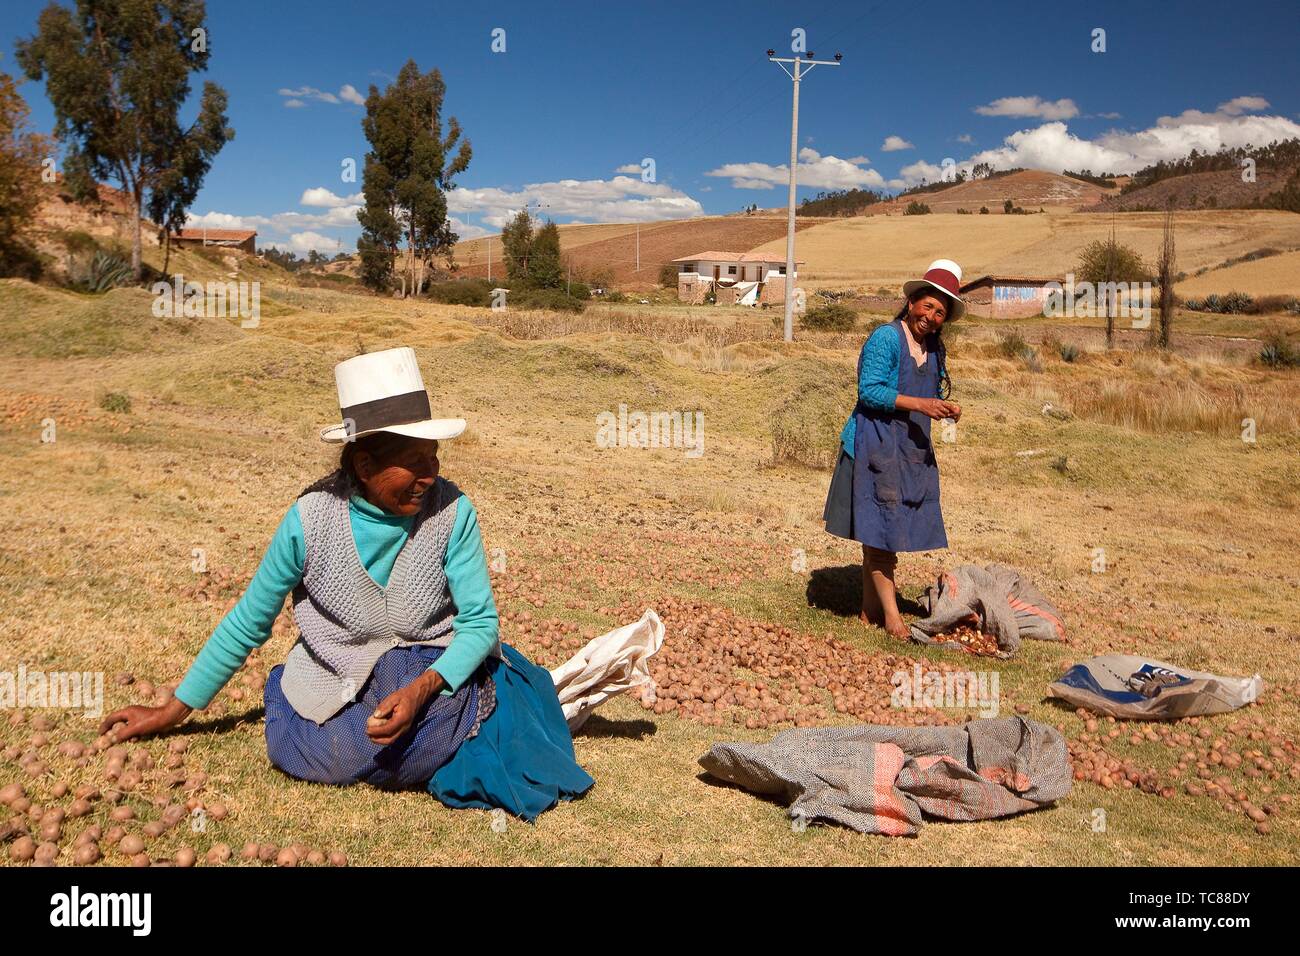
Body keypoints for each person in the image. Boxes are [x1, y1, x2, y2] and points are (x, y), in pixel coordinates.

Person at [100, 346, 594, 821]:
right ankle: (400, 743)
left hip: (432, 673)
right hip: (336, 678)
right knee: (319, 742)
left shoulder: (453, 512)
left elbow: (481, 625)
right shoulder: (310, 519)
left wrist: (423, 690)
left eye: (434, 458)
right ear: (365, 465)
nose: (430, 476)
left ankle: (419, 735)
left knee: (401, 674)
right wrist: (172, 711)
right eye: (415, 462)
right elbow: (249, 621)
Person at [822, 259, 964, 639]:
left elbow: (925, 395)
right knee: (881, 532)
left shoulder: (933, 349)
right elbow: (870, 392)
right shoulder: (886, 338)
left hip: (907, 453)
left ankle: (869, 611)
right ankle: (892, 618)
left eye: (940, 312)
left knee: (881, 531)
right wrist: (922, 405)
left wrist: (942, 408)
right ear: (912, 301)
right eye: (928, 306)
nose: (932, 317)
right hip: (873, 446)